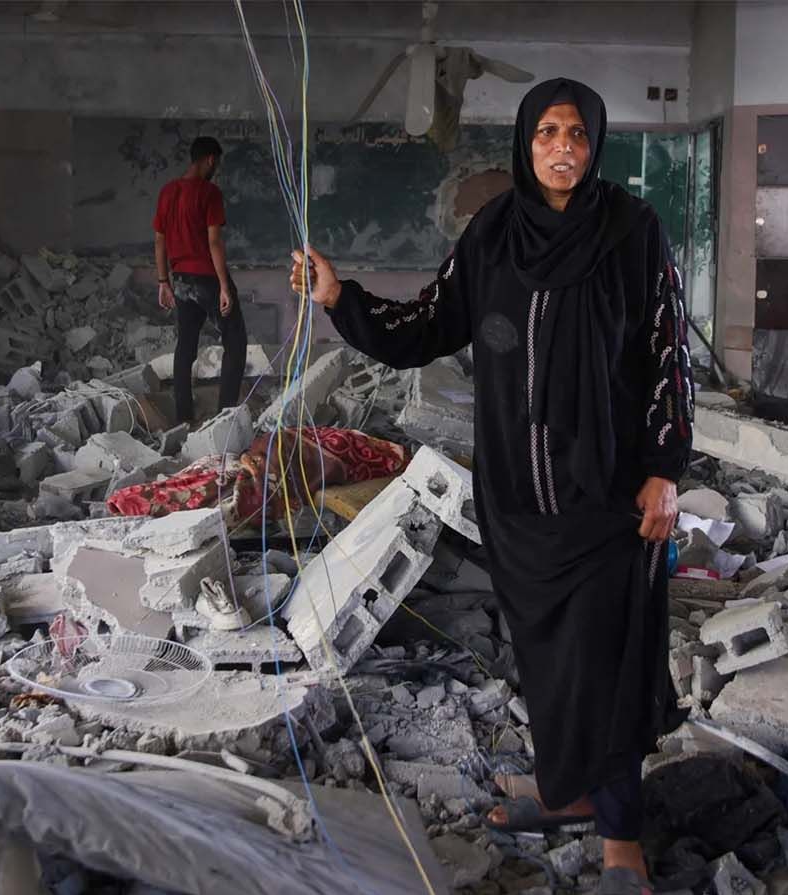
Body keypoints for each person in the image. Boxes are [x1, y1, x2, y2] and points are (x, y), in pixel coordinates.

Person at [291, 78, 692, 895]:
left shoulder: (631, 231)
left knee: (606, 663)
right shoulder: (494, 235)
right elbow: (427, 326)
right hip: (520, 498)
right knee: (548, 660)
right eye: (547, 131)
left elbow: (666, 356)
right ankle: (569, 786)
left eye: (578, 133)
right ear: (524, 140)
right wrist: (342, 298)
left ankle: (622, 841)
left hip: (609, 499)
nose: (563, 148)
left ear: (597, 141)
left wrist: (664, 470)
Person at [153, 136, 247, 426]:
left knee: (186, 345)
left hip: (180, 280)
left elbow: (159, 241)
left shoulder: (168, 192)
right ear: (209, 159)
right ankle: (225, 416)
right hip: (206, 277)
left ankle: (184, 419)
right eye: (216, 162)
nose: (216, 168)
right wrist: (223, 285)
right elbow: (214, 242)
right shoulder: (209, 193)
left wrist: (163, 281)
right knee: (236, 341)